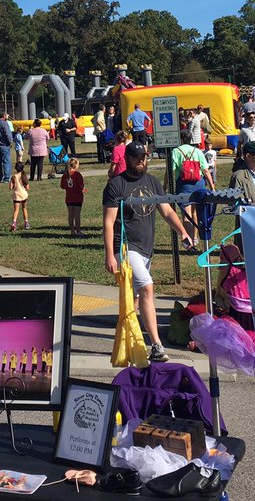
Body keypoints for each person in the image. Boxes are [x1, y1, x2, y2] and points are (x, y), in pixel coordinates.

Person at [102, 142, 195, 363]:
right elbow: (108, 222)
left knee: (134, 299)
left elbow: (166, 211)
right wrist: (109, 255)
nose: (141, 161)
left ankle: (129, 343)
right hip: (125, 247)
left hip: (146, 249)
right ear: (127, 158)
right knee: (147, 287)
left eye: (144, 157)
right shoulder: (116, 185)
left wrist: (183, 232)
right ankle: (157, 345)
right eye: (136, 157)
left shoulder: (152, 182)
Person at [60, 158, 85, 237]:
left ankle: (72, 230)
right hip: (77, 197)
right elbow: (81, 185)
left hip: (69, 197)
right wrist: (84, 189)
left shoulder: (65, 175)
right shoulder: (77, 174)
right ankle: (78, 231)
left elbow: (62, 186)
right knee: (77, 215)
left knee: (70, 214)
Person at [0, 112, 14, 183]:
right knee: (6, 161)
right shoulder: (4, 123)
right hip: (4, 145)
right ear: (4, 115)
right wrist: (10, 141)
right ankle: (6, 178)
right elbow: (8, 134)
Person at [9, 161, 30, 232]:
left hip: (16, 195)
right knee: (24, 208)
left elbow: (10, 187)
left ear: (15, 168)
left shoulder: (14, 177)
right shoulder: (24, 176)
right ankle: (26, 223)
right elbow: (27, 188)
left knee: (16, 210)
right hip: (23, 195)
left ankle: (14, 222)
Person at [27, 118, 48, 183]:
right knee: (40, 163)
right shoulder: (44, 130)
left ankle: (32, 177)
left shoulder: (31, 131)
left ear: (34, 124)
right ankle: (39, 177)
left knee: (33, 164)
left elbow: (25, 137)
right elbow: (48, 138)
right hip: (42, 149)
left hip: (33, 149)